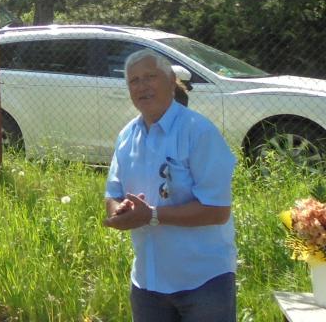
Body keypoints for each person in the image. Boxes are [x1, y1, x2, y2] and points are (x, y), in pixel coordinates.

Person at [102, 49, 237, 322]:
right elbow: (112, 194)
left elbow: (217, 210)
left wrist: (152, 215)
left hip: (203, 280)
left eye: (150, 77)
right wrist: (120, 211)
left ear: (171, 81)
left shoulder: (198, 132)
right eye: (134, 80)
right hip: (147, 281)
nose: (142, 86)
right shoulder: (127, 137)